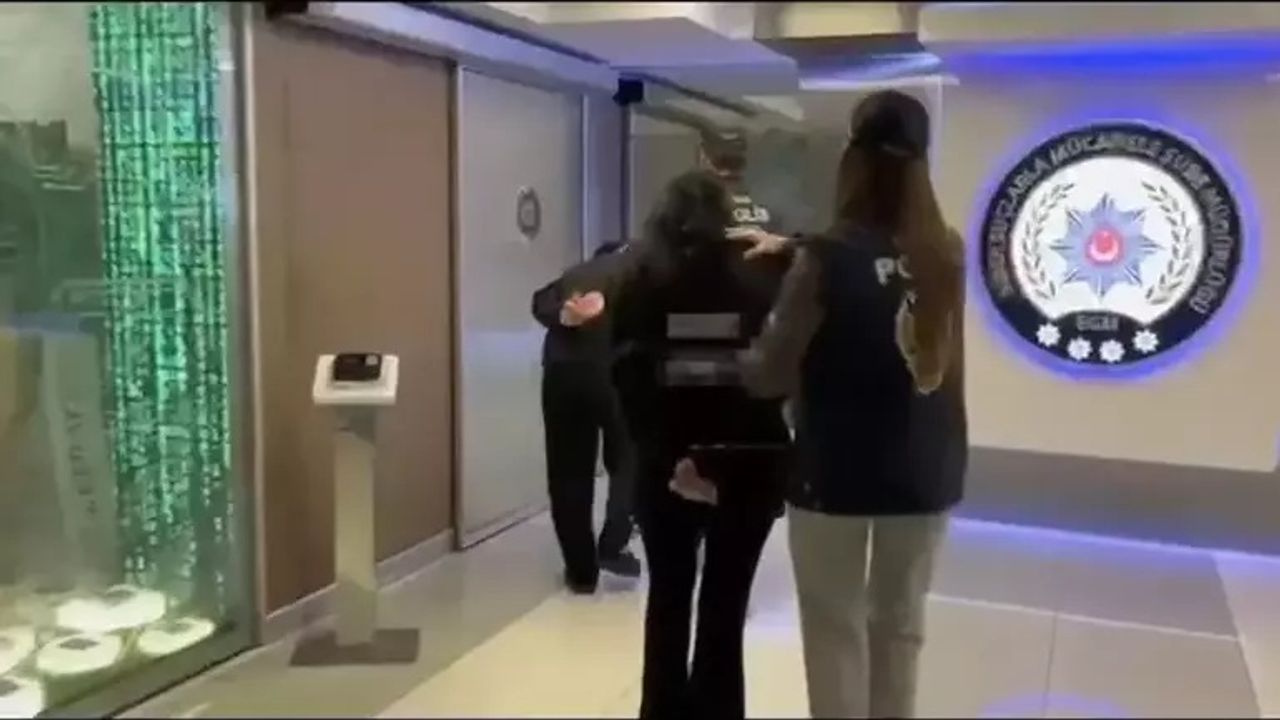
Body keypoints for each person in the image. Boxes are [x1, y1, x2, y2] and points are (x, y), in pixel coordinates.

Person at [738, 90, 968, 719]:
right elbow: (885, 275)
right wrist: (797, 248)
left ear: (854, 160)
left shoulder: (826, 257)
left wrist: (728, 360)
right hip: (927, 469)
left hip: (833, 475)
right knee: (900, 626)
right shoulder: (945, 251)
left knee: (834, 626)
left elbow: (769, 373)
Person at [593, 169, 793, 719]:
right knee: (726, 603)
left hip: (666, 462)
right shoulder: (760, 276)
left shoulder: (639, 281)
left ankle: (661, 709)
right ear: (726, 216)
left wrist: (672, 457)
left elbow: (628, 379)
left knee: (668, 598)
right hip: (748, 460)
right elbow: (776, 369)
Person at [531, 242, 641, 594]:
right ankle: (613, 545)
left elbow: (540, 301)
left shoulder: (578, 274)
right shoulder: (644, 268)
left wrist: (566, 315)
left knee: (568, 472)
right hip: (620, 373)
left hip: (564, 375)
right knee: (629, 461)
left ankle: (581, 573)